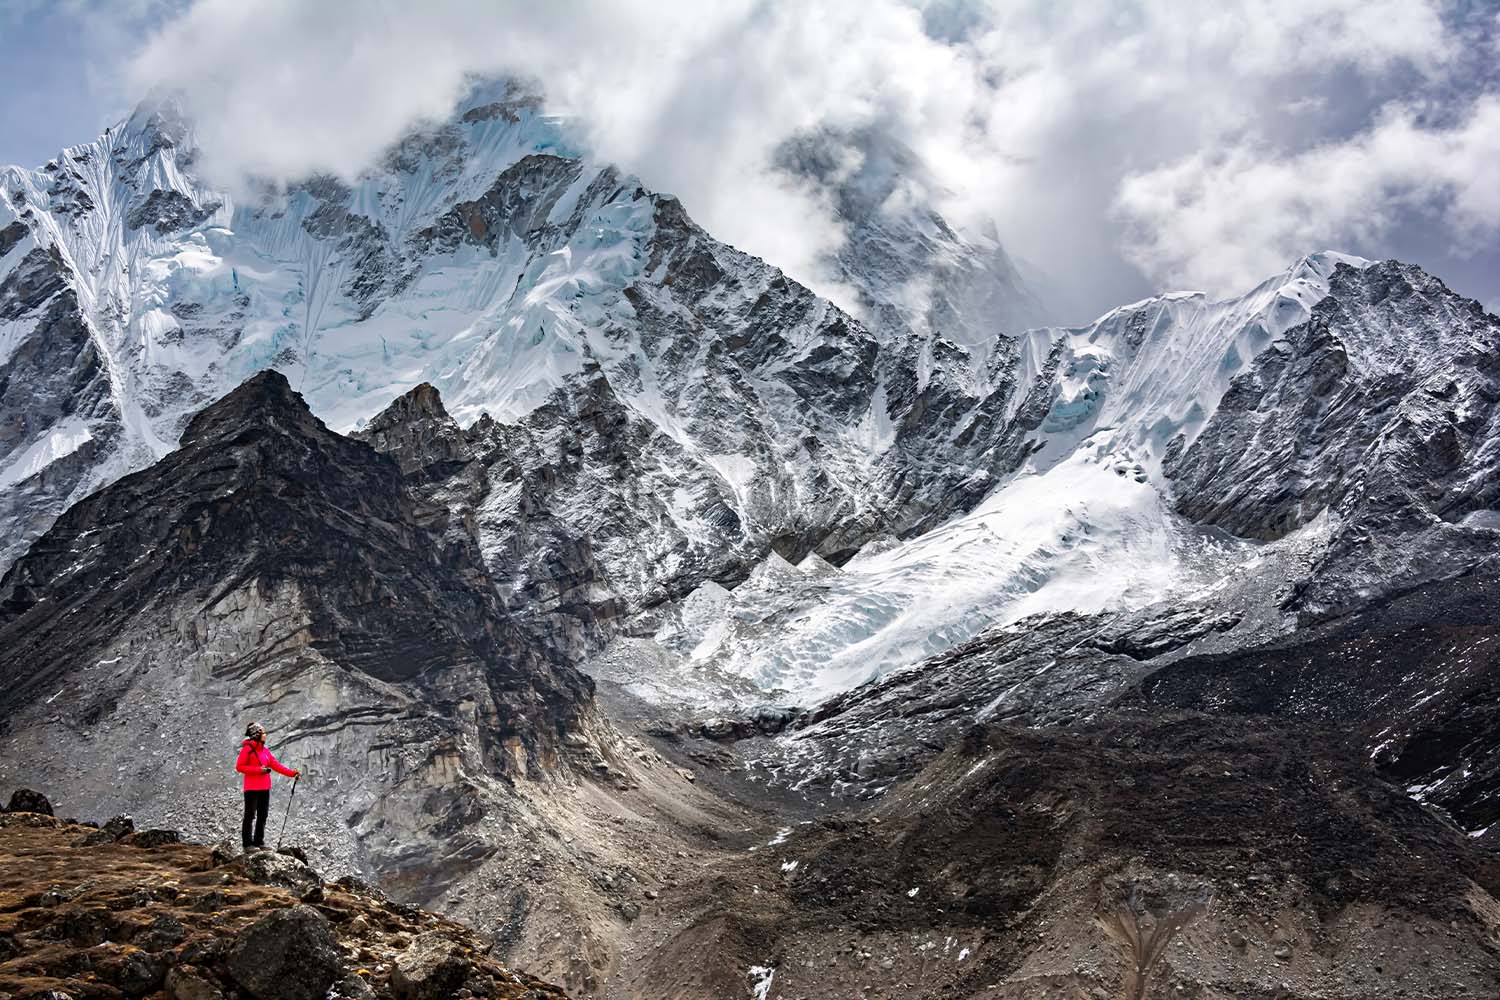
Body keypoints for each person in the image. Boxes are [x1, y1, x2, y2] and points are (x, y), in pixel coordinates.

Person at [235, 722, 299, 850]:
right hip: (251, 788)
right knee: (250, 815)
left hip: (264, 788)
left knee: (263, 814)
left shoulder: (265, 751)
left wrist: (292, 773)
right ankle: (247, 844)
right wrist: (259, 770)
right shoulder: (247, 750)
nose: (265, 735)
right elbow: (239, 767)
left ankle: (259, 842)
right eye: (263, 733)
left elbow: (276, 765)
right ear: (257, 734)